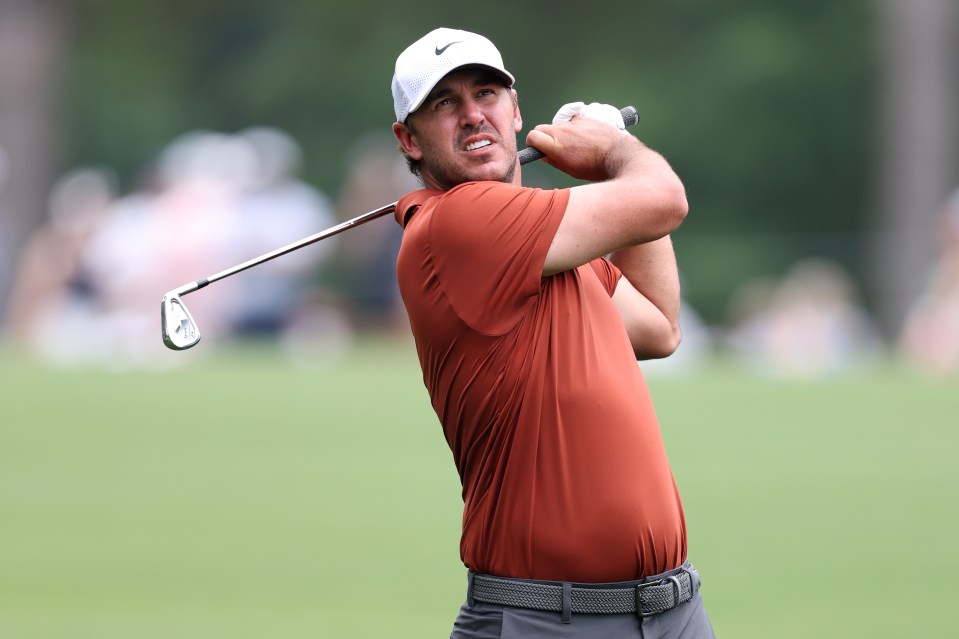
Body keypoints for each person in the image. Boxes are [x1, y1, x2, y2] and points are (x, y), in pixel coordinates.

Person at [389, 28, 715, 638]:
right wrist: (614, 151)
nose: (471, 115)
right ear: (409, 139)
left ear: (515, 111)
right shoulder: (460, 222)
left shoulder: (542, 241)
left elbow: (657, 326)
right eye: (444, 104)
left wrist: (609, 166)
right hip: (545, 619)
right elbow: (663, 199)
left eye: (486, 93)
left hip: (672, 612)